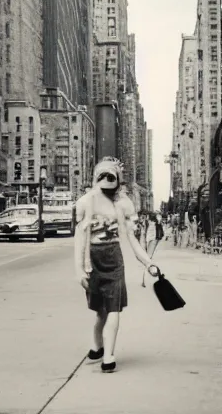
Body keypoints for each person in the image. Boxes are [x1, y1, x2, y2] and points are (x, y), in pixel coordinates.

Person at [74, 157, 159, 373]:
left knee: (112, 309)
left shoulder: (124, 204)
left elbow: (132, 240)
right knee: (100, 311)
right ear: (95, 178)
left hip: (113, 261)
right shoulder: (85, 203)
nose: (105, 180)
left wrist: (148, 263)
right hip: (92, 260)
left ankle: (108, 357)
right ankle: (97, 347)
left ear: (118, 180)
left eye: (110, 176)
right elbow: (79, 238)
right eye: (101, 176)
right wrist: (79, 268)